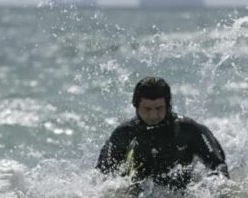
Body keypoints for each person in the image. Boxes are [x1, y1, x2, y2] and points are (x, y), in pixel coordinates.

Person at [97, 77, 229, 193]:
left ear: (168, 105)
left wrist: (218, 187)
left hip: (182, 192)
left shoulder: (188, 129)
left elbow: (218, 165)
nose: (153, 115)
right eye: (147, 109)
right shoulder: (125, 133)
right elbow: (102, 174)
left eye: (159, 108)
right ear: (136, 106)